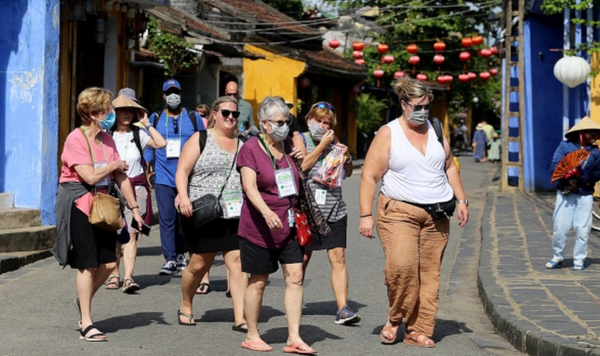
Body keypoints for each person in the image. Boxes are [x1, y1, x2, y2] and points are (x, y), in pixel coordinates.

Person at [358, 76, 469, 348]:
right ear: (403, 104)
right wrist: (365, 215)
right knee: (402, 268)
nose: (422, 111)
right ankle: (396, 317)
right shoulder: (389, 133)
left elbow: (449, 165)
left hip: (437, 215)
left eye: (426, 106)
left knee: (429, 275)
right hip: (398, 211)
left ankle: (417, 330)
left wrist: (462, 199)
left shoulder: (435, 128)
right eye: (417, 106)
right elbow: (370, 176)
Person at [52, 87, 144, 342]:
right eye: (108, 109)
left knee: (110, 263)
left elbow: (121, 176)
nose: (112, 113)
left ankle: (83, 300)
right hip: (79, 203)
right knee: (88, 264)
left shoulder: (107, 139)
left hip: (103, 205)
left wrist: (134, 209)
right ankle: (87, 322)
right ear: (93, 113)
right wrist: (114, 165)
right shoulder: (75, 139)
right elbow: (90, 176)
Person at [236, 96, 315, 354]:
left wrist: (301, 158)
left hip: (289, 223)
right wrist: (267, 211)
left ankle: (294, 337)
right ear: (265, 123)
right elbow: (249, 187)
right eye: (279, 122)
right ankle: (252, 333)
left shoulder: (289, 144)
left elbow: (298, 178)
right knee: (258, 280)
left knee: (295, 276)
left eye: (287, 121)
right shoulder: (250, 148)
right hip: (259, 226)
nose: (284, 126)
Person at [175, 96, 248, 331]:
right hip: (203, 212)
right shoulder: (201, 138)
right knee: (199, 265)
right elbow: (182, 171)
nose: (230, 118)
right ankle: (186, 303)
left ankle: (241, 317)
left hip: (234, 213)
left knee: (236, 263)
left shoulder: (243, 143)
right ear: (214, 114)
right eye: (225, 113)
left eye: (234, 114)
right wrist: (183, 196)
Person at [298, 101, 360, 325]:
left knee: (338, 257)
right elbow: (302, 166)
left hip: (334, 207)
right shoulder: (300, 139)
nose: (323, 126)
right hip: (308, 211)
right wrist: (321, 145)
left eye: (327, 123)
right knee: (302, 259)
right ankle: (294, 303)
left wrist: (347, 156)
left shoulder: (334, 142)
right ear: (309, 120)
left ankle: (343, 308)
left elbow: (349, 172)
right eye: (319, 121)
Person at [104, 92, 166, 293]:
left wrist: (146, 123)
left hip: (137, 188)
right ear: (115, 113)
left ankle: (128, 277)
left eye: (131, 110)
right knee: (114, 234)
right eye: (123, 110)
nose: (127, 114)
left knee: (131, 234)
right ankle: (114, 274)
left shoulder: (139, 134)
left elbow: (161, 143)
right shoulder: (106, 136)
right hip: (112, 190)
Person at [144, 79, 205, 275]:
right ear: (163, 96)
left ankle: (182, 254)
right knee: (167, 219)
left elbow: (203, 143)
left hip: (188, 177)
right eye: (169, 92)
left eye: (176, 92)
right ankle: (170, 258)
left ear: (181, 93)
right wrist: (147, 169)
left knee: (185, 219)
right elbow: (149, 144)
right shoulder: (155, 118)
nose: (173, 96)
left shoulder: (193, 117)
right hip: (163, 177)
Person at [546, 117, 600, 271]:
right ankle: (558, 256)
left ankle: (579, 258)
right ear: (581, 133)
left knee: (583, 228)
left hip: (585, 193)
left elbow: (598, 173)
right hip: (565, 193)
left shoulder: (595, 152)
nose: (594, 137)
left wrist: (584, 175)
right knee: (560, 227)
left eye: (596, 134)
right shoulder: (565, 147)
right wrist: (567, 174)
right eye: (591, 133)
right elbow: (555, 165)